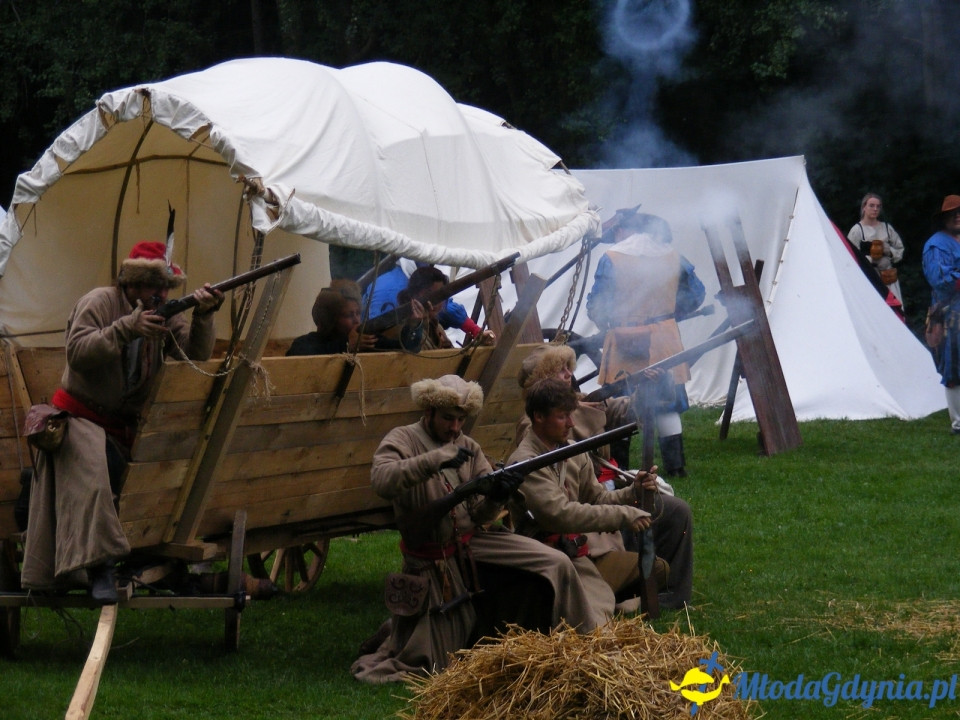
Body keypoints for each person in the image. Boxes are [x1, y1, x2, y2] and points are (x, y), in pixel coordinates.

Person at [351, 375, 603, 684]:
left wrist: (497, 495)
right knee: (435, 666)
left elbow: (481, 512)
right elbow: (382, 480)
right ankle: (394, 631)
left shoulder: (467, 445)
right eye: (448, 418)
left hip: (475, 542)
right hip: (433, 557)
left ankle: (587, 648)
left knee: (557, 562)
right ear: (429, 411)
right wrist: (434, 460)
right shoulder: (403, 439)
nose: (455, 428)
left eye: (461, 419)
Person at [21, 241, 223, 603]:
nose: (160, 294)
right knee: (95, 473)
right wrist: (127, 329)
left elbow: (194, 355)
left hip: (127, 425)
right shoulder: (99, 302)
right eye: (152, 286)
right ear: (131, 283)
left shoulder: (164, 312)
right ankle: (98, 569)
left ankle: (151, 551)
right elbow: (78, 353)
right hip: (78, 417)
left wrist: (205, 315)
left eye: (164, 288)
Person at [515, 344, 694, 609]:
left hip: (602, 500)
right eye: (558, 370)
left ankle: (670, 594)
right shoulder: (536, 429)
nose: (568, 374)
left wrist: (648, 388)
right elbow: (562, 511)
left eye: (568, 368)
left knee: (676, 511)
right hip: (579, 535)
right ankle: (636, 590)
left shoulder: (585, 401)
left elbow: (629, 413)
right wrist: (625, 512)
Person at [506, 377, 659, 624]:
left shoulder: (570, 451)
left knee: (606, 603)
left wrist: (633, 492)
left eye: (571, 415)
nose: (571, 423)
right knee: (592, 621)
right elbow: (560, 514)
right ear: (538, 417)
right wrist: (624, 515)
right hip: (543, 560)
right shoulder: (525, 462)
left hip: (573, 553)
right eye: (562, 416)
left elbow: (597, 497)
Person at [586, 212, 705, 477]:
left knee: (621, 404)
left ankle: (620, 469)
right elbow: (696, 294)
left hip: (625, 337)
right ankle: (676, 468)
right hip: (665, 338)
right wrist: (671, 315)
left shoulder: (612, 258)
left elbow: (597, 305)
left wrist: (606, 321)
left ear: (624, 230)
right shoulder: (673, 255)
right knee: (668, 403)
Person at [365, 258, 495, 345]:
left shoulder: (433, 324)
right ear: (414, 293)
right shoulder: (389, 288)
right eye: (430, 294)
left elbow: (444, 304)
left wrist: (476, 331)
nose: (438, 303)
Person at [922, 194, 960, 434]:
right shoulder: (936, 245)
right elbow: (940, 279)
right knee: (955, 366)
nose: (958, 217)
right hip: (950, 315)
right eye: (953, 213)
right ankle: (959, 423)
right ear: (945, 218)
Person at [286, 279, 383, 355]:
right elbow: (300, 356)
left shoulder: (363, 340)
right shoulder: (304, 344)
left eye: (358, 313)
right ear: (328, 319)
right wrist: (347, 345)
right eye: (349, 315)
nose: (357, 320)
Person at [847, 193, 905, 305]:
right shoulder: (857, 230)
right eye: (872, 205)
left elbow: (899, 249)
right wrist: (869, 259)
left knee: (892, 309)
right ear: (864, 207)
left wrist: (888, 251)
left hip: (887, 278)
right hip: (868, 278)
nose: (875, 209)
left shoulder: (887, 228)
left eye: (878, 206)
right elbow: (849, 256)